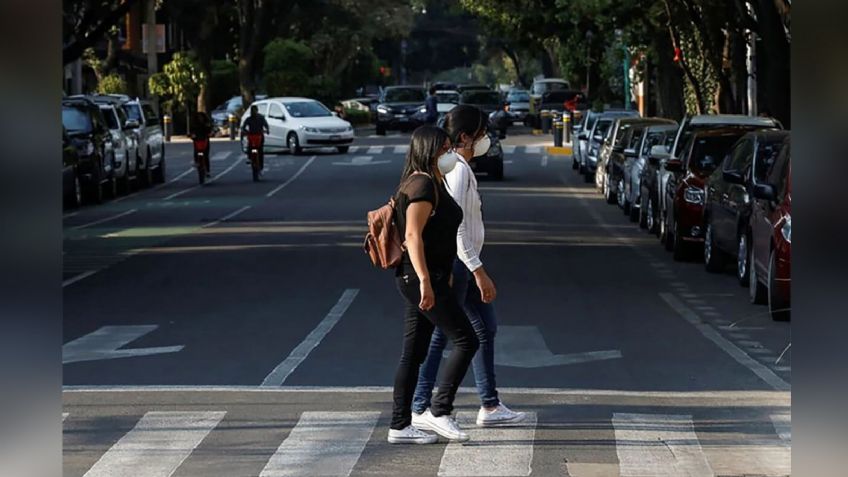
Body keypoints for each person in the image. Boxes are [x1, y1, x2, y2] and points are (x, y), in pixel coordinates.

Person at [412, 105, 526, 427]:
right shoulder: (459, 170)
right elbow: (457, 226)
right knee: (442, 335)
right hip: (459, 265)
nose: (485, 140)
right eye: (481, 134)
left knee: (485, 329)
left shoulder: (460, 167)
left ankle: (489, 405)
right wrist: (478, 270)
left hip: (465, 262)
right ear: (464, 137)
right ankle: (421, 406)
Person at [388, 126, 479, 445]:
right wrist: (426, 281)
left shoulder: (432, 181)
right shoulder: (422, 184)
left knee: (414, 353)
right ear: (428, 150)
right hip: (419, 278)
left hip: (430, 276)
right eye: (444, 149)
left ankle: (400, 426)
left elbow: (439, 234)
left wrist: (445, 272)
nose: (450, 153)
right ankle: (440, 412)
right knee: (467, 340)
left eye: (451, 147)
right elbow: (413, 236)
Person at [241, 105, 270, 174]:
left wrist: (267, 130)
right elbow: (243, 127)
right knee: (250, 147)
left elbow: (266, 125)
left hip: (259, 136)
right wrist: (245, 131)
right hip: (251, 136)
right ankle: (249, 157)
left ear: (257, 111)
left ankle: (260, 166)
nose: (254, 112)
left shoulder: (261, 118)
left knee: (260, 151)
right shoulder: (249, 119)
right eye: (252, 111)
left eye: (255, 110)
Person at [191, 111, 213, 178]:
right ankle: (196, 162)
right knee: (196, 152)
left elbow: (210, 130)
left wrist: (210, 134)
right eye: (199, 117)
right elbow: (191, 132)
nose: (200, 119)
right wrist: (192, 135)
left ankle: (207, 171)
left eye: (201, 117)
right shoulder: (194, 125)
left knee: (206, 155)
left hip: (205, 140)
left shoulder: (206, 124)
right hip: (197, 141)